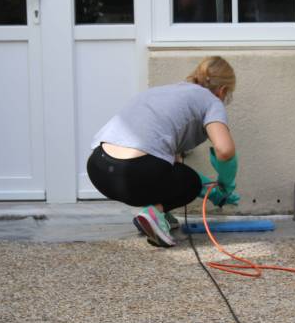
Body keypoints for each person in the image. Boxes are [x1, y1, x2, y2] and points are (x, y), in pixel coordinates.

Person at [86, 56, 239, 248]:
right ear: (222, 91)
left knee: (170, 173)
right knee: (190, 182)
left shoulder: (165, 92)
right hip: (133, 173)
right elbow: (225, 150)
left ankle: (156, 219)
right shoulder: (211, 101)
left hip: (98, 168)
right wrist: (225, 184)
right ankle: (154, 214)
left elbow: (167, 165)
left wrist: (209, 188)